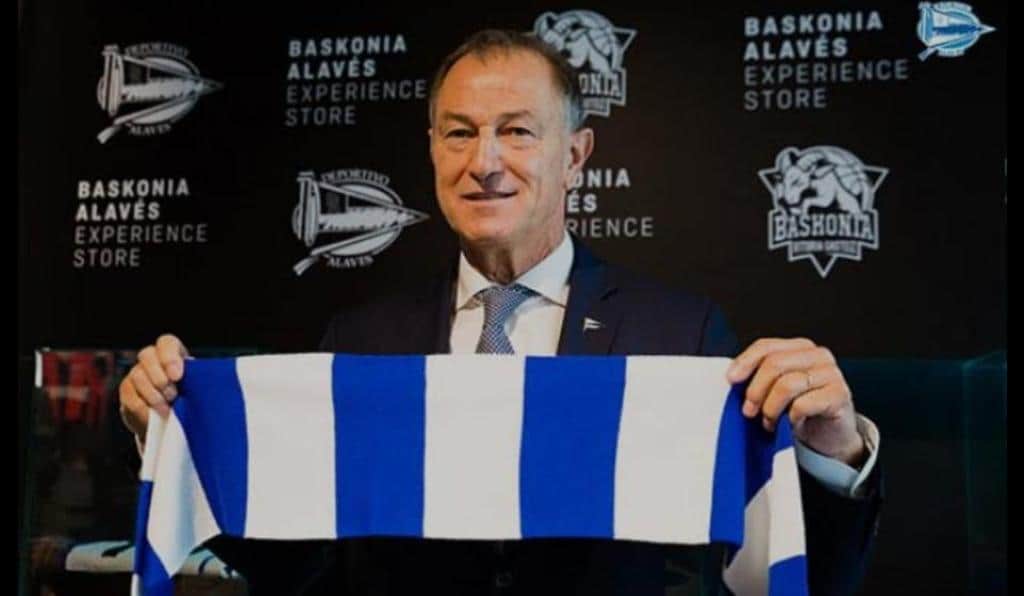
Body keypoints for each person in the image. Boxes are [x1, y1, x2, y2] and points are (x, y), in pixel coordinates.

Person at [119, 29, 882, 596]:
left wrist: (832, 452)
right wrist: (170, 435)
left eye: (517, 131)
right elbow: (300, 566)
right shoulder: (363, 340)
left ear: (574, 156)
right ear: (433, 150)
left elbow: (793, 572)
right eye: (460, 132)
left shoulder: (681, 335)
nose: (484, 161)